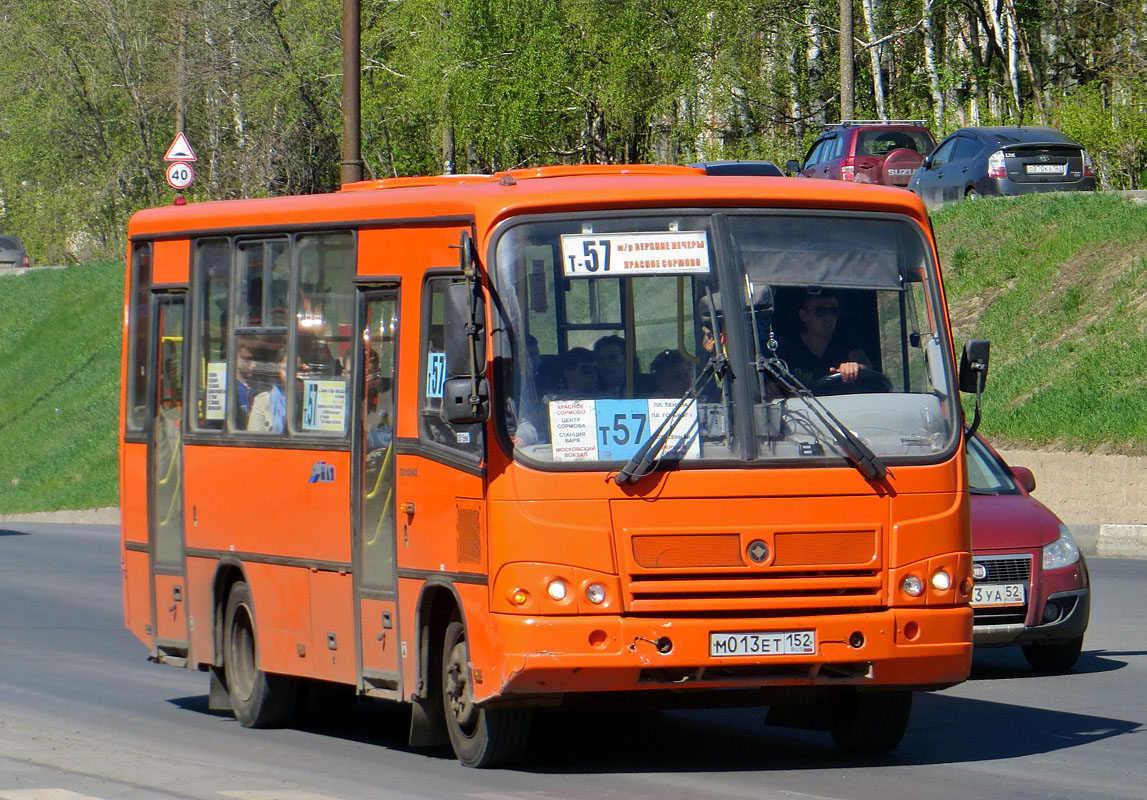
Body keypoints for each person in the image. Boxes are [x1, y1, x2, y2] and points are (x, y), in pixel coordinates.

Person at [781, 290, 871, 386]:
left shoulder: (845, 341)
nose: (828, 317)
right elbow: (773, 381)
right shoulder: (788, 349)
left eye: (833, 312)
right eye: (821, 312)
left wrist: (855, 367)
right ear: (804, 316)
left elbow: (865, 364)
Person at [248, 347, 288, 433]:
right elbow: (254, 439)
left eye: (298, 369)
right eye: (285, 369)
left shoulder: (311, 399)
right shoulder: (262, 401)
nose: (291, 374)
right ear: (278, 371)